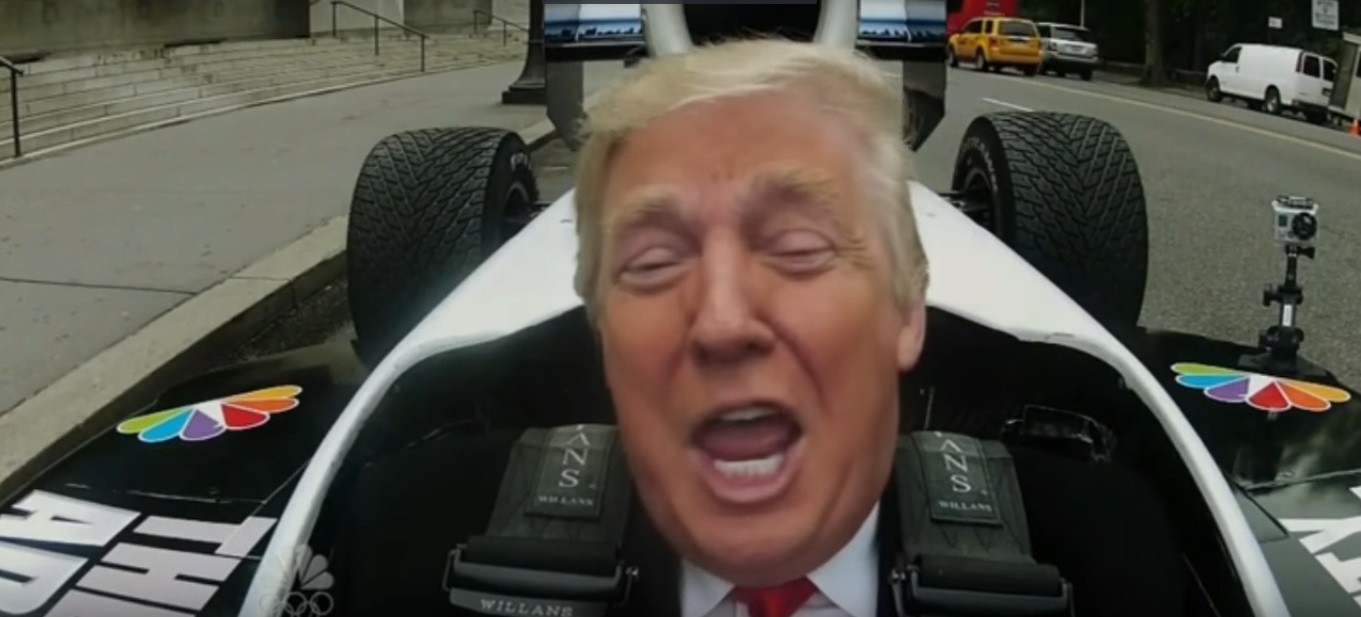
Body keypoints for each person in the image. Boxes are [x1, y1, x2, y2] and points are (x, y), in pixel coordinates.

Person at [332, 38, 1186, 617]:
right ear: (602, 334)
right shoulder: (400, 547)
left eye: (799, 247)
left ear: (904, 309)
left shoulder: (1117, 562)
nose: (721, 320)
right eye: (652, 262)